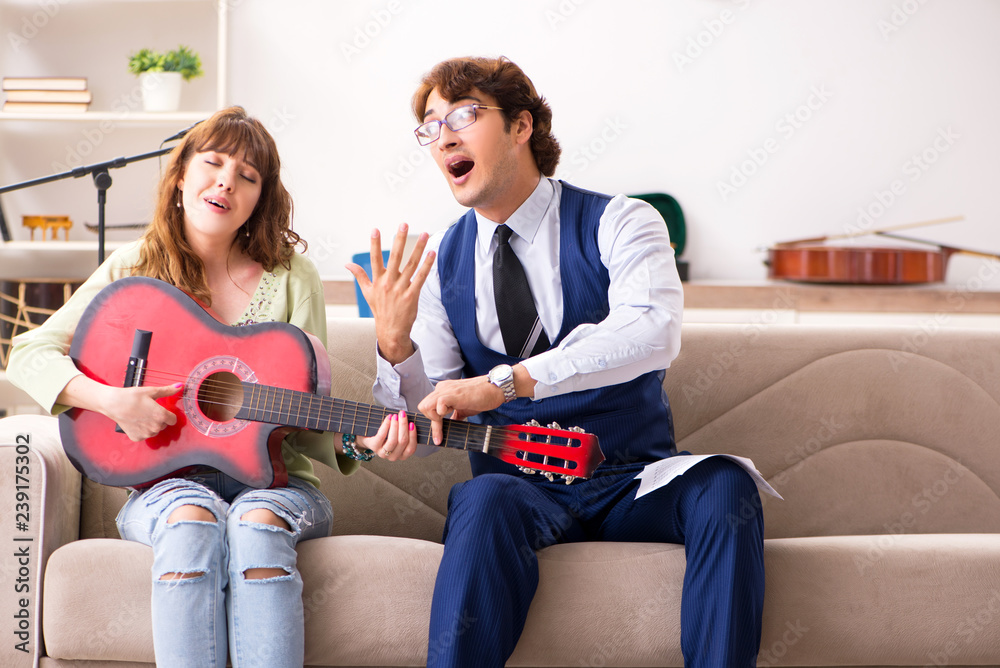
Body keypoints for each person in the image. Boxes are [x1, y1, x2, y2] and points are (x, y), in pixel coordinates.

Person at [348, 57, 765, 667]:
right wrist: (393, 345)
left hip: (631, 479)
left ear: (521, 126)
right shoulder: (442, 266)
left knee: (726, 485)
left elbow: (651, 330)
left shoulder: (621, 221)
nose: (445, 137)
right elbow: (429, 424)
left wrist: (506, 383)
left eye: (463, 114)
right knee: (481, 498)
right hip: (521, 491)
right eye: (431, 126)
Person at [7, 106, 413, 668]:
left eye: (248, 175)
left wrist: (358, 440)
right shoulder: (135, 266)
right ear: (180, 177)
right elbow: (28, 352)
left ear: (258, 200)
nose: (227, 180)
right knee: (191, 520)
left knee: (255, 522)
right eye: (214, 162)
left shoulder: (296, 278)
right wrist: (111, 400)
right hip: (165, 487)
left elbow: (307, 420)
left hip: (276, 484)